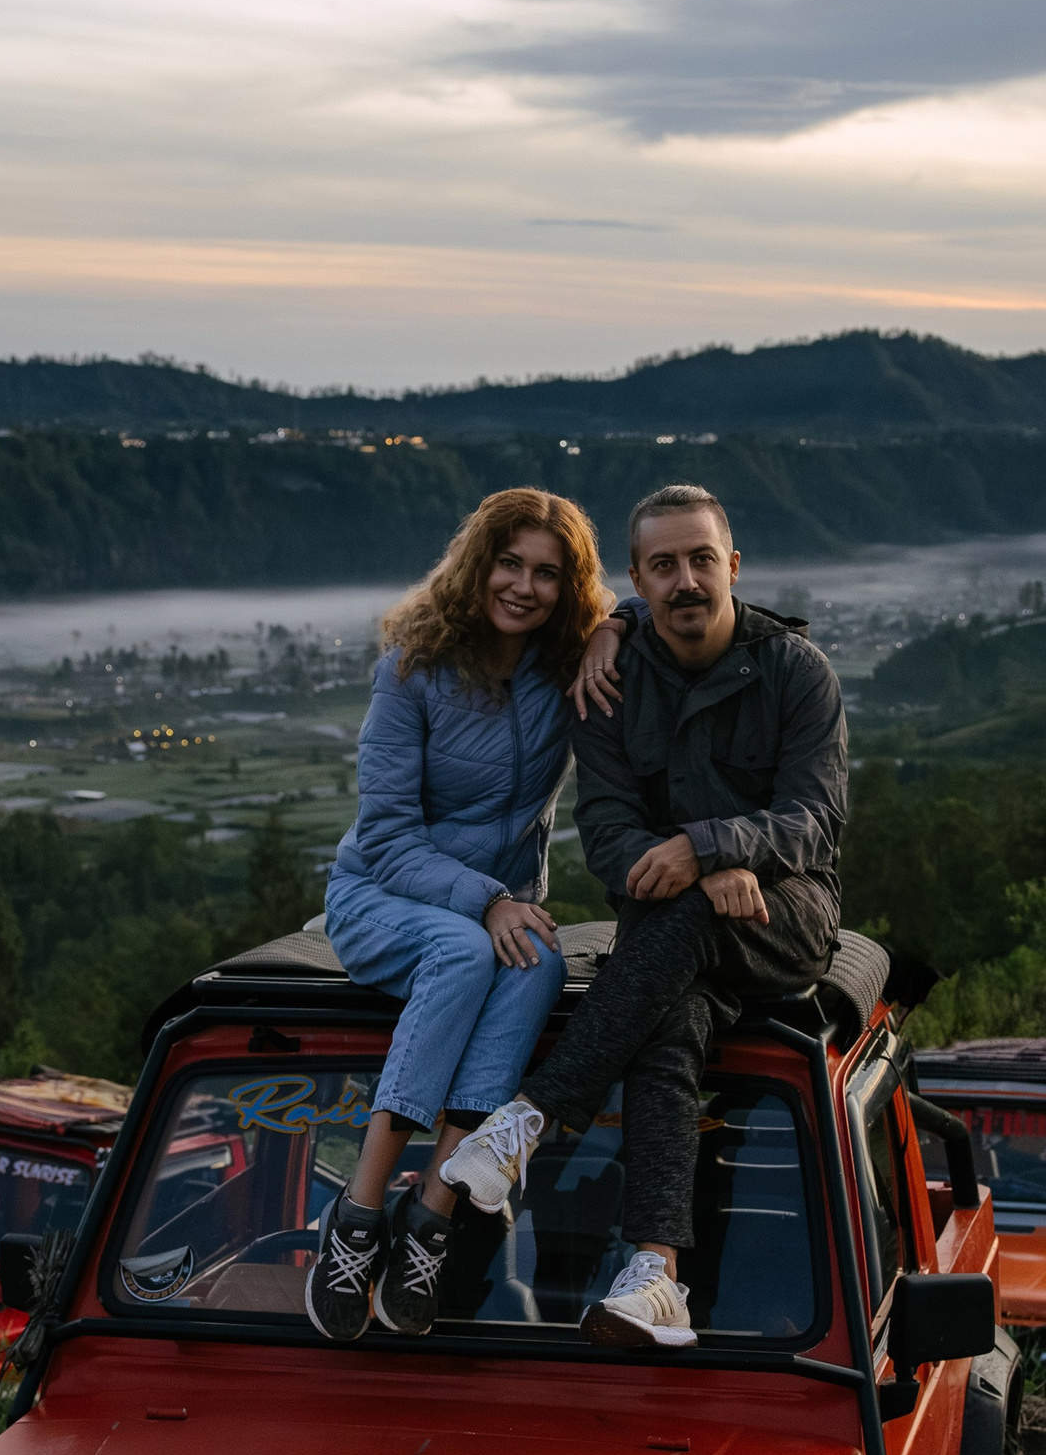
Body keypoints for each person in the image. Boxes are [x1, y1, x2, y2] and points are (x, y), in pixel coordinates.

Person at [442, 482, 849, 1350]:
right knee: (671, 1025)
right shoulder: (609, 680)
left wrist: (708, 847)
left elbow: (815, 821)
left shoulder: (795, 671)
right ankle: (656, 1272)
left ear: (733, 565)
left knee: (687, 921)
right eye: (663, 565)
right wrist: (692, 868)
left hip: (786, 916)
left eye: (702, 559)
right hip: (668, 928)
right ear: (638, 579)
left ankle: (530, 1118)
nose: (686, 579)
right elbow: (607, 833)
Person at [307, 489, 622, 1342]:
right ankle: (359, 1212)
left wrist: (613, 628)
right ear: (477, 564)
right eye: (508, 563)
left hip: (496, 910)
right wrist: (486, 900)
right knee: (464, 952)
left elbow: (640, 617)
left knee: (541, 961)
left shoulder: (563, 667)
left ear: (567, 588)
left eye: (547, 573)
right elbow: (387, 837)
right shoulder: (412, 668)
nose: (524, 586)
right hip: (382, 894)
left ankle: (432, 1210)